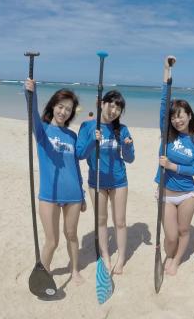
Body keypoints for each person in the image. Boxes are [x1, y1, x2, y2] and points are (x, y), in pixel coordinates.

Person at [24, 80, 86, 284]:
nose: (64, 112)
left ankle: (75, 269)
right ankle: (43, 272)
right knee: (52, 241)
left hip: (73, 194)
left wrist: (83, 195)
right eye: (60, 106)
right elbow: (32, 114)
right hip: (49, 194)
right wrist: (30, 93)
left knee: (72, 235)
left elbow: (76, 166)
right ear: (53, 106)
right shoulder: (42, 131)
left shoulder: (72, 135)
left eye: (68, 109)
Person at [76, 89, 135, 274]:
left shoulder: (122, 129)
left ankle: (121, 259)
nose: (114, 110)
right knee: (101, 221)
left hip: (119, 180)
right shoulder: (87, 127)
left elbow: (130, 158)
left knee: (120, 221)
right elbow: (80, 154)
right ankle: (105, 256)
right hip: (97, 181)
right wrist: (93, 140)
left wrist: (127, 146)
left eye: (118, 107)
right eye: (111, 104)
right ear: (101, 103)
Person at [155, 56, 194, 276]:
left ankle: (175, 261)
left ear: (189, 116)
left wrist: (173, 166)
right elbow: (164, 103)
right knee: (170, 236)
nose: (177, 120)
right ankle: (169, 254)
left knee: (184, 231)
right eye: (174, 117)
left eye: (181, 116)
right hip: (166, 192)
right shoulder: (167, 135)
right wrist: (167, 71)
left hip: (188, 194)